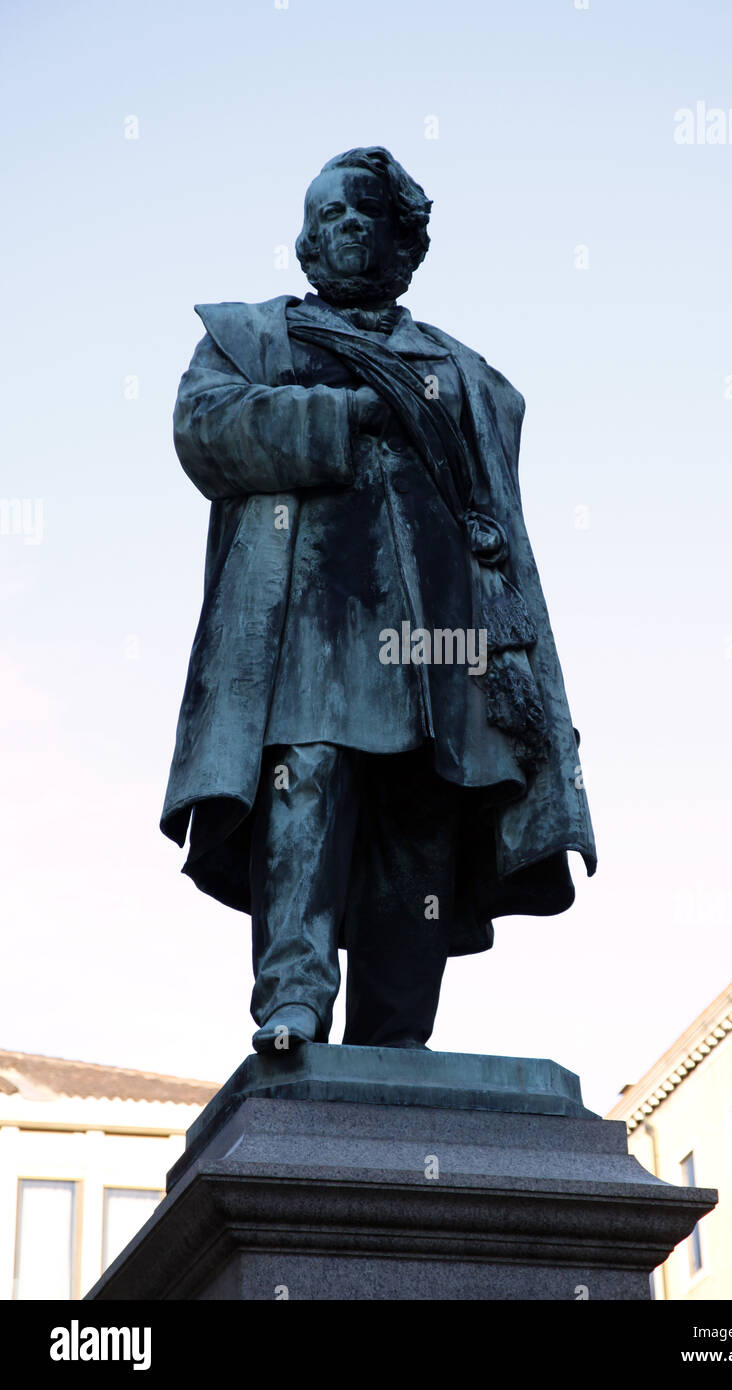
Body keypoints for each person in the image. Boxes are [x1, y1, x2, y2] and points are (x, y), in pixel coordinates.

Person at [161, 147, 596, 1052]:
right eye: (330, 217)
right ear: (305, 243)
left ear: (405, 244)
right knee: (307, 785)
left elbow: (498, 497)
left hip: (442, 633)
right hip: (310, 623)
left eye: (368, 215)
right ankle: (293, 1000)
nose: (349, 229)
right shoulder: (253, 338)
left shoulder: (463, 370)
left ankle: (397, 1039)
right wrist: (347, 414)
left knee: (422, 808)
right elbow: (206, 430)